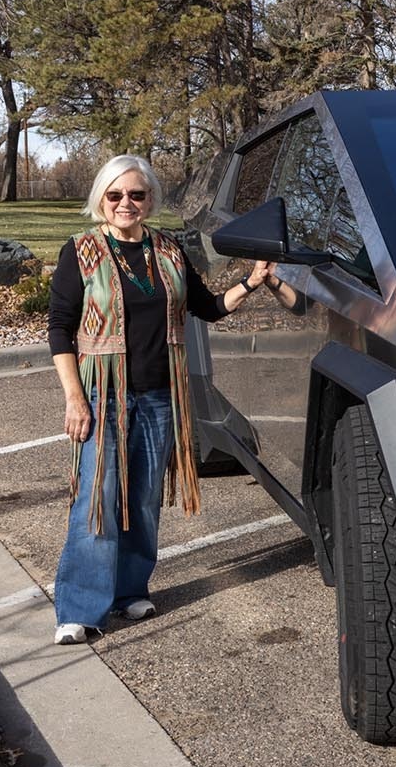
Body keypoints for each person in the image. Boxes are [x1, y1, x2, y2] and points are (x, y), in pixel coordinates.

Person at [46, 154, 283, 645]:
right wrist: (75, 398)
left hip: (159, 397)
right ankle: (80, 608)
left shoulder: (168, 251)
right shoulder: (82, 251)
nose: (126, 203)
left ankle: (130, 589)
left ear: (150, 198)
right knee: (99, 498)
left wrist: (251, 282)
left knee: (145, 499)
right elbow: (60, 330)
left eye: (136, 194)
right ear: (101, 200)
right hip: (102, 395)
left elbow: (207, 308)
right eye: (115, 195)